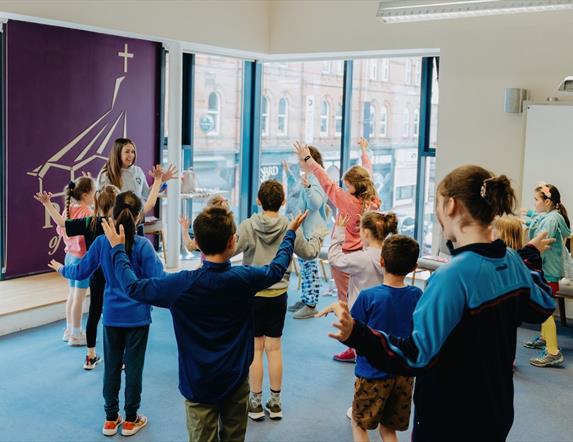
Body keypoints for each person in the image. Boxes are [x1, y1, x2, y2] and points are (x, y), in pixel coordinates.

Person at [322, 165, 556, 441]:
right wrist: (529, 256)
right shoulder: (512, 261)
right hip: (497, 411)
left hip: (450, 420)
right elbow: (542, 306)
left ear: (451, 205)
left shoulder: (451, 277)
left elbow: (414, 355)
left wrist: (358, 334)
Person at [100, 206, 307, 441]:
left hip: (198, 384)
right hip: (236, 381)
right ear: (232, 242)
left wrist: (118, 249)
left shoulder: (180, 285)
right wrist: (290, 233)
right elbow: (277, 269)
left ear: (196, 242)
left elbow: (133, 287)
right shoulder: (244, 279)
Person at [49, 191, 165, 437]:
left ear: (112, 214)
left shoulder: (102, 243)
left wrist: (62, 270)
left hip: (111, 316)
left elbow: (80, 271)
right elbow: (159, 280)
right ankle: (132, 420)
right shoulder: (144, 246)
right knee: (133, 368)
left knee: (111, 367)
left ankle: (111, 419)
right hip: (138, 318)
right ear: (138, 218)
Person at [35, 165, 171, 368]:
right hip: (119, 274)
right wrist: (158, 181)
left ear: (97, 203)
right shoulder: (125, 223)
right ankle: (124, 358)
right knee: (120, 313)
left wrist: (48, 204)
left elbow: (63, 224)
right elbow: (149, 204)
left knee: (95, 312)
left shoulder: (90, 221)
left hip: (98, 275)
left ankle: (90, 356)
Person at [234, 180, 326, 421]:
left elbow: (229, 249)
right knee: (274, 348)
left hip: (253, 296)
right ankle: (275, 403)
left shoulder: (248, 225)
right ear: (284, 202)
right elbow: (309, 252)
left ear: (258, 201)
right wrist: (318, 235)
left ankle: (254, 403)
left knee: (255, 349)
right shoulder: (288, 225)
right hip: (278, 295)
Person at [319, 235, 422, 442]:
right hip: (404, 375)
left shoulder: (369, 296)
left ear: (381, 261)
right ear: (414, 267)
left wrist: (340, 311)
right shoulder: (417, 295)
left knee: (358, 423)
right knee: (388, 429)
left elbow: (353, 333)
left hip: (372, 374)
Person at [294, 137, 380, 362]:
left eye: (347, 184)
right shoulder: (370, 198)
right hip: (364, 254)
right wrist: (363, 151)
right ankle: (367, 341)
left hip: (346, 255)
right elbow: (368, 171)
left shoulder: (347, 202)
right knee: (363, 298)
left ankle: (353, 346)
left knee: (346, 301)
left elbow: (325, 181)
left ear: (354, 187)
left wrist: (308, 159)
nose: (344, 187)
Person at [327, 211, 398, 363]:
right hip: (383, 309)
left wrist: (339, 231)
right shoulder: (390, 254)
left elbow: (334, 259)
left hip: (362, 312)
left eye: (360, 230)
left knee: (365, 352)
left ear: (365, 233)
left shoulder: (361, 258)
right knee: (381, 343)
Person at [522, 183, 571, 367]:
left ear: (548, 201)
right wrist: (528, 216)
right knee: (544, 305)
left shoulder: (552, 219)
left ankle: (553, 352)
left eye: (536, 200)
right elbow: (539, 219)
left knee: (545, 310)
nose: (534, 204)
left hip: (549, 272)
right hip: (548, 270)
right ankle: (544, 337)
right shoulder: (553, 216)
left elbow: (542, 236)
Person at [285, 146, 329, 320]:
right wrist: (289, 175)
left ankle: (311, 304)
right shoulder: (308, 177)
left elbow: (316, 204)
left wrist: (310, 186)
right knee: (305, 267)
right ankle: (305, 299)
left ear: (309, 159)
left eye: (301, 158)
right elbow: (296, 193)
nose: (298, 162)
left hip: (312, 231)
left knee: (310, 268)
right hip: (304, 230)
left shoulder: (316, 177)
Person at [55, 177, 95, 346]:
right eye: (94, 192)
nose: (95, 196)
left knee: (71, 296)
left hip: (69, 256)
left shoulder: (68, 209)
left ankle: (69, 329)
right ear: (86, 195)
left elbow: (60, 229)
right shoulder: (87, 212)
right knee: (79, 298)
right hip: (81, 258)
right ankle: (76, 335)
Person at [97, 137, 177, 210]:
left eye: (133, 152)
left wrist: (160, 180)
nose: (131, 155)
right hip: (116, 221)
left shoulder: (138, 171)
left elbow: (146, 195)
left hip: (137, 219)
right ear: (118, 153)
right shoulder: (106, 174)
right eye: (127, 152)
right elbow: (102, 202)